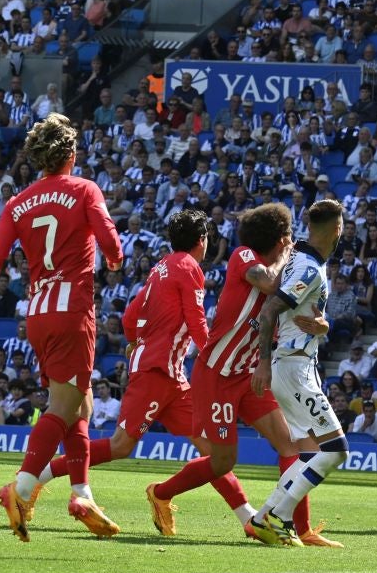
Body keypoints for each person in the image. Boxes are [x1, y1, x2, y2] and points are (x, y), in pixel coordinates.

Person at [31, 211, 259, 536]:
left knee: (213, 452)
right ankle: (38, 478)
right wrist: (213, 359)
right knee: (121, 445)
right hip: (155, 371)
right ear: (202, 241)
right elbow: (196, 320)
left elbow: (131, 316)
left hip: (170, 374)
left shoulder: (161, 267)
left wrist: (139, 340)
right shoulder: (190, 268)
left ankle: (245, 517)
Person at [141, 203, 340, 547]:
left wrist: (323, 324)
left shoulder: (289, 268)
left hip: (250, 374)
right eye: (288, 237)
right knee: (222, 461)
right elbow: (268, 284)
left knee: (290, 445)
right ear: (280, 239)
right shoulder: (243, 255)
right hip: (216, 373)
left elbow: (302, 309)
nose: (292, 242)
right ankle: (160, 493)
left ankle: (300, 529)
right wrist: (286, 257)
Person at [0, 114, 124, 542]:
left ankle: (81, 493)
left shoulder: (18, 202)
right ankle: (19, 488)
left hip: (37, 312)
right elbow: (110, 241)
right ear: (71, 155)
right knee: (61, 408)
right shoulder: (85, 189)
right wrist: (114, 258)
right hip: (73, 311)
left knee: (81, 407)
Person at [248, 200, 346, 545]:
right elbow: (269, 312)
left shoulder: (302, 261)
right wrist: (262, 361)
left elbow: (297, 312)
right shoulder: (307, 268)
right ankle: (279, 516)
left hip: (297, 362)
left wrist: (322, 325)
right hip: (292, 366)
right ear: (338, 228)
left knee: (308, 454)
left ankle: (263, 517)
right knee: (335, 450)